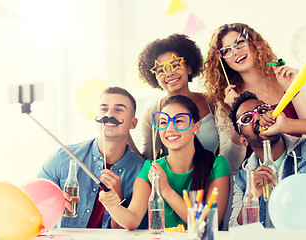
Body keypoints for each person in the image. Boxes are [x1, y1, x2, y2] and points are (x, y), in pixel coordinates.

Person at [203, 23, 306, 174]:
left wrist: (293, 90)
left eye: (239, 43)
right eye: (227, 50)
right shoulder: (225, 101)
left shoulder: (289, 77)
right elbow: (230, 164)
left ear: (253, 43)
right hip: (263, 180)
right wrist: (235, 114)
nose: (236, 52)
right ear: (222, 60)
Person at [99, 95, 230, 229]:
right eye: (163, 122)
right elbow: (133, 220)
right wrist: (112, 205)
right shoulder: (151, 168)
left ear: (196, 127)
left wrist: (165, 190)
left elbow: (207, 226)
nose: (170, 128)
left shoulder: (217, 165)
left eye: (179, 121)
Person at [228, 91, 306, 233]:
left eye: (262, 111)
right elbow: (234, 231)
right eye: (247, 118)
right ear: (243, 140)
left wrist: (288, 125)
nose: (258, 117)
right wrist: (251, 197)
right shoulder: (244, 179)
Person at [38, 87, 146, 229]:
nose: (109, 114)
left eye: (118, 110)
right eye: (103, 109)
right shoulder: (64, 157)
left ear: (133, 123)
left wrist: (118, 200)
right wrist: (52, 203)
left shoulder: (142, 171)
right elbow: (33, 204)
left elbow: (128, 232)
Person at [136, 34, 220, 160]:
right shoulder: (152, 113)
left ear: (189, 68)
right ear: (155, 78)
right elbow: (147, 160)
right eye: (161, 71)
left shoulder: (212, 102)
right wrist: (124, 134)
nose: (169, 73)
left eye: (175, 65)